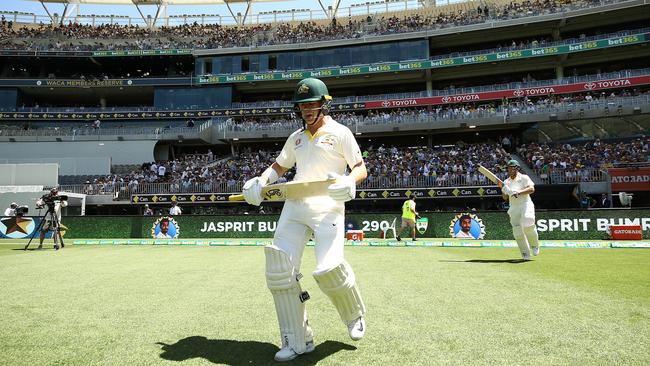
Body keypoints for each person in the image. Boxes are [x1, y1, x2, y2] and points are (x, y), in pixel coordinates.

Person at [242, 77, 367, 362]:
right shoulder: (296, 137)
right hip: (295, 205)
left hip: (328, 205)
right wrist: (261, 181)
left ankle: (354, 315)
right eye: (302, 105)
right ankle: (297, 340)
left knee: (329, 269)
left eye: (312, 104)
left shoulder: (340, 132)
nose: (307, 110)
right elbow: (280, 165)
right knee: (279, 272)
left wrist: (350, 181)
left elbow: (360, 167)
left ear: (323, 104)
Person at [501, 160, 540, 260]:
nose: (510, 169)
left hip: (525, 203)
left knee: (528, 221)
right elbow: (505, 198)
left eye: (512, 167)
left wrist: (518, 192)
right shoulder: (506, 182)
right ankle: (525, 252)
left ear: (517, 168)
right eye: (509, 168)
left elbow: (531, 189)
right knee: (517, 230)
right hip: (513, 207)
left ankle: (534, 245)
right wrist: (505, 192)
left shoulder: (524, 178)